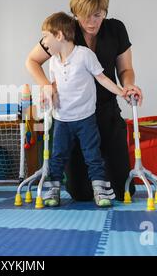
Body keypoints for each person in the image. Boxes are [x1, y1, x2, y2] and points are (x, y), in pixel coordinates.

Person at [25, 0, 142, 202]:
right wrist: (46, 86)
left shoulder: (116, 29)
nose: (91, 21)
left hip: (106, 114)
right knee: (81, 193)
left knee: (123, 191)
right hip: (72, 118)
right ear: (74, 12)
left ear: (105, 11)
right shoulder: (63, 31)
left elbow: (125, 69)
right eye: (85, 15)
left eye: (98, 15)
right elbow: (32, 60)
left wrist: (127, 86)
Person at [34, 11, 126, 207]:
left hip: (85, 118)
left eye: (45, 36)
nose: (44, 42)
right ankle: (53, 191)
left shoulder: (84, 55)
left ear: (59, 35)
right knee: (57, 155)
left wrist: (122, 92)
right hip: (62, 119)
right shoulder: (53, 61)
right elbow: (54, 85)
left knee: (92, 155)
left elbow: (102, 78)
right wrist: (46, 94)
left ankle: (100, 191)